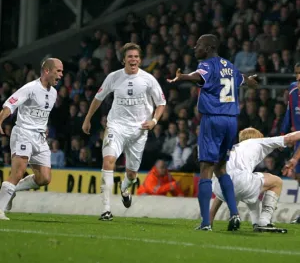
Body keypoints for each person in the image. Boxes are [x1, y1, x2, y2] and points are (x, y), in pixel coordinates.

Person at [167, 34, 257, 231]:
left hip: (213, 119)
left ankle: (206, 222)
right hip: (231, 121)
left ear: (208, 48)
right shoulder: (230, 65)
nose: (194, 48)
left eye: (198, 45)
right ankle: (234, 214)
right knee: (221, 168)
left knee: (206, 169)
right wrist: (251, 81)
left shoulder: (207, 64)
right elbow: (243, 79)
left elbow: (199, 76)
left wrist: (184, 77)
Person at [82, 43, 166, 221]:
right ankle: (106, 210)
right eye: (130, 57)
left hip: (139, 130)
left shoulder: (148, 79)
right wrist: (88, 118)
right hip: (116, 126)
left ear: (140, 59)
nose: (133, 59)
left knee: (132, 174)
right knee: (108, 160)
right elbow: (98, 98)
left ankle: (124, 188)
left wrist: (154, 120)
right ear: (123, 60)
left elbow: (161, 103)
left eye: (136, 57)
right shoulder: (113, 77)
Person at [0, 58, 63, 220]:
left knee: (44, 178)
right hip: (23, 133)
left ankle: (13, 190)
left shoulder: (54, 92)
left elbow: (41, 114)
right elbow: (9, 105)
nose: (61, 75)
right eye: (58, 71)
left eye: (62, 71)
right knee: (18, 172)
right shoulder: (30, 88)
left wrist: (44, 127)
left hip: (40, 137)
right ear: (47, 71)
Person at [210, 127, 300, 233]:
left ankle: (255, 223)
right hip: (241, 182)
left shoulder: (233, 148)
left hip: (218, 186)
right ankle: (265, 222)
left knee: (251, 193)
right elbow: (290, 138)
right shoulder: (258, 142)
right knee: (276, 182)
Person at [281, 64, 300, 224]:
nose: (298, 79)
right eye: (297, 75)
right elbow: (289, 112)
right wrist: (283, 135)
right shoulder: (293, 90)